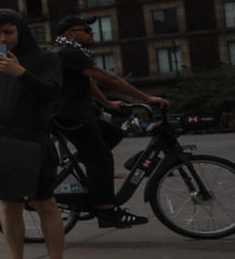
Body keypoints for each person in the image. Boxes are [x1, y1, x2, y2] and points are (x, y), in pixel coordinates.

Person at [0, 8, 70, 259]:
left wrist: (21, 73)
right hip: (4, 142)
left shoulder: (46, 59)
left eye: (8, 31)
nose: (2, 37)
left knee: (46, 203)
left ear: (20, 30)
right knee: (10, 206)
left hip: (35, 140)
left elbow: (53, 93)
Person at [51, 15, 168, 228]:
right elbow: (109, 78)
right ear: (70, 34)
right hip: (71, 117)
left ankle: (88, 175)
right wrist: (147, 99)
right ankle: (106, 211)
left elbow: (89, 81)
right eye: (86, 29)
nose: (92, 32)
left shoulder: (69, 52)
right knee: (101, 157)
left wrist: (108, 104)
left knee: (113, 134)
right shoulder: (67, 53)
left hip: (78, 114)